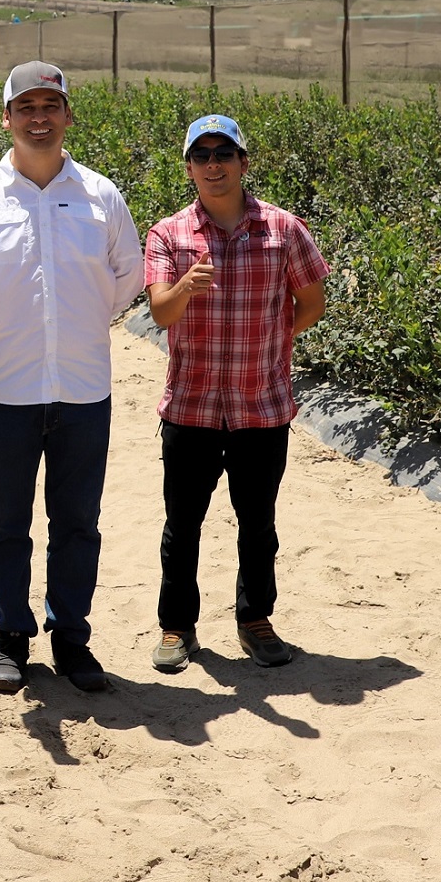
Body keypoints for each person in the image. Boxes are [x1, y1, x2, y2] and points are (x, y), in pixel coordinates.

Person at [0, 61, 143, 694]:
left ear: (68, 116)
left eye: (51, 105)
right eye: (27, 108)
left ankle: (72, 636)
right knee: (5, 523)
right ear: (7, 119)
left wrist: (84, 318)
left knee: (77, 522)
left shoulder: (101, 195)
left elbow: (128, 275)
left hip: (83, 388)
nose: (39, 118)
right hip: (7, 391)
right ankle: (12, 634)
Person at [143, 114, 328, 672]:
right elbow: (159, 311)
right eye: (202, 156)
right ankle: (177, 628)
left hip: (261, 407)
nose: (214, 164)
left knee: (258, 521)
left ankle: (255, 620)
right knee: (183, 524)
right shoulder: (168, 235)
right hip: (191, 407)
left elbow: (312, 305)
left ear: (244, 163)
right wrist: (184, 287)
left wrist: (272, 340)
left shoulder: (284, 230)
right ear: (189, 168)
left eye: (225, 153)